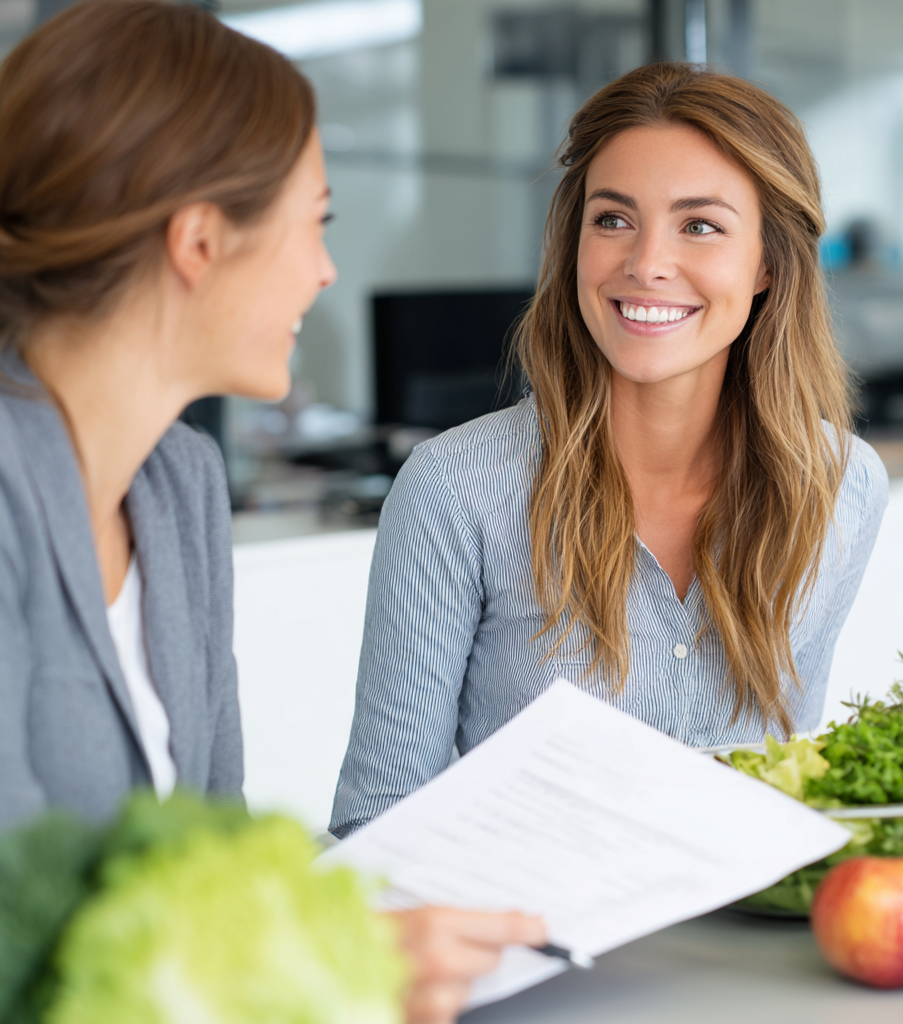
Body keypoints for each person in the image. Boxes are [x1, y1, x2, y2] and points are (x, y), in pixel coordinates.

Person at [0, 3, 542, 1021]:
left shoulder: (179, 487)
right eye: (316, 221)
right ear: (200, 239)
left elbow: (215, 855)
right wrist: (323, 960)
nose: (326, 268)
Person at [332, 61, 889, 838]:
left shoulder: (842, 484)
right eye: (613, 219)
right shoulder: (455, 489)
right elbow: (379, 825)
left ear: (767, 263)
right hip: (534, 946)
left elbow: (784, 785)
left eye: (700, 225)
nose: (645, 263)